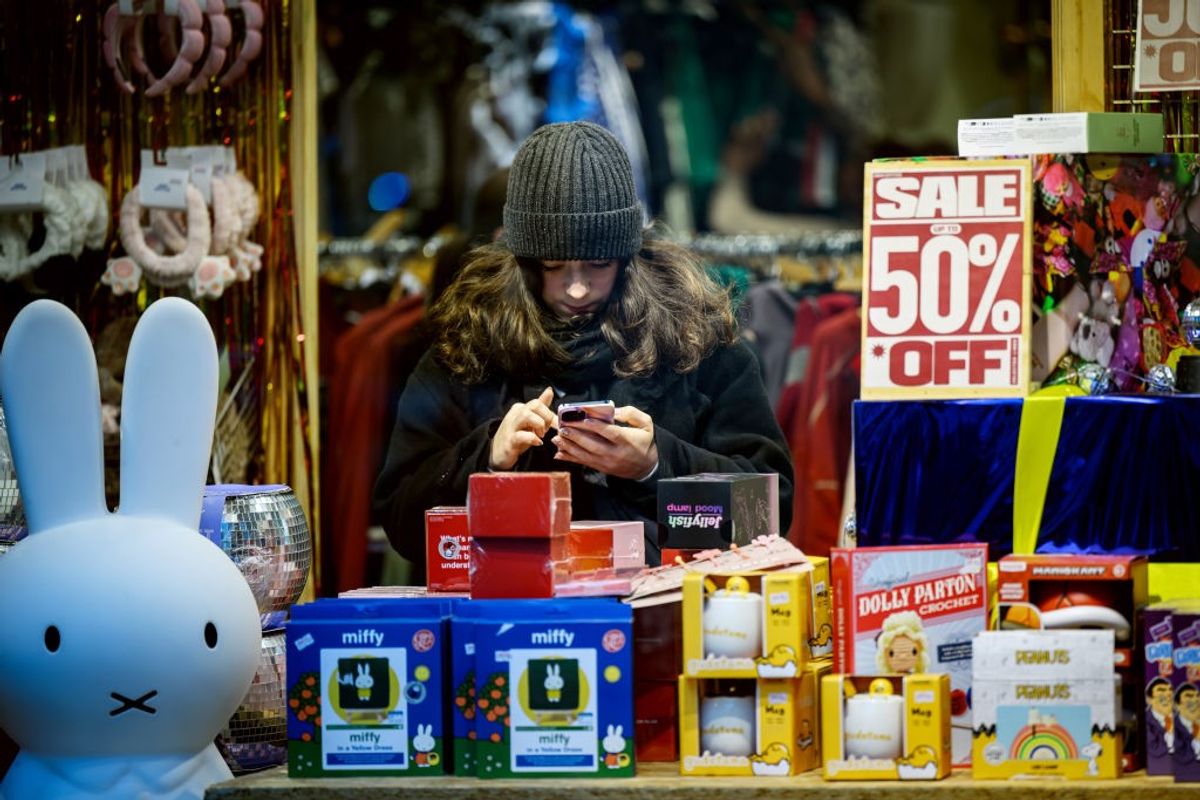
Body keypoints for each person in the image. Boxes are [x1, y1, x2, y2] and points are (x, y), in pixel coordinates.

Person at [372, 121, 793, 576]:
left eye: (598, 265)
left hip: (661, 624)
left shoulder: (697, 342)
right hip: (506, 628)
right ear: (525, 264)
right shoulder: (468, 347)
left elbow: (769, 516)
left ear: (628, 256)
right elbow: (402, 525)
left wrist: (654, 468)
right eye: (554, 266)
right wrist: (489, 460)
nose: (576, 289)